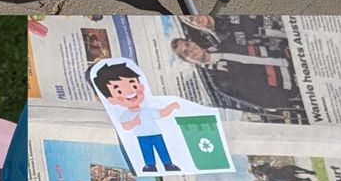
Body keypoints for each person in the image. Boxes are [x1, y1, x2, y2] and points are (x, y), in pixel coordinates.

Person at [170, 32, 299, 113]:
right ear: (189, 61)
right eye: (186, 53)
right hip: (293, 85)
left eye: (187, 44)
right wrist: (292, 96)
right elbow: (259, 99)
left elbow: (258, 45)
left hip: (294, 58)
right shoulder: (220, 81)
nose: (191, 49)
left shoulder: (224, 44)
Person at [91, 62, 180, 173]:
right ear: (111, 100)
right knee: (146, 151)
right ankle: (150, 165)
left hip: (156, 134)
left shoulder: (147, 110)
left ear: (141, 86)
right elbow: (125, 126)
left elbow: (162, 113)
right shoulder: (125, 115)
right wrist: (133, 122)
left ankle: (168, 164)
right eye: (119, 91)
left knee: (162, 149)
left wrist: (172, 106)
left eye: (133, 85)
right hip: (142, 136)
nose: (129, 92)